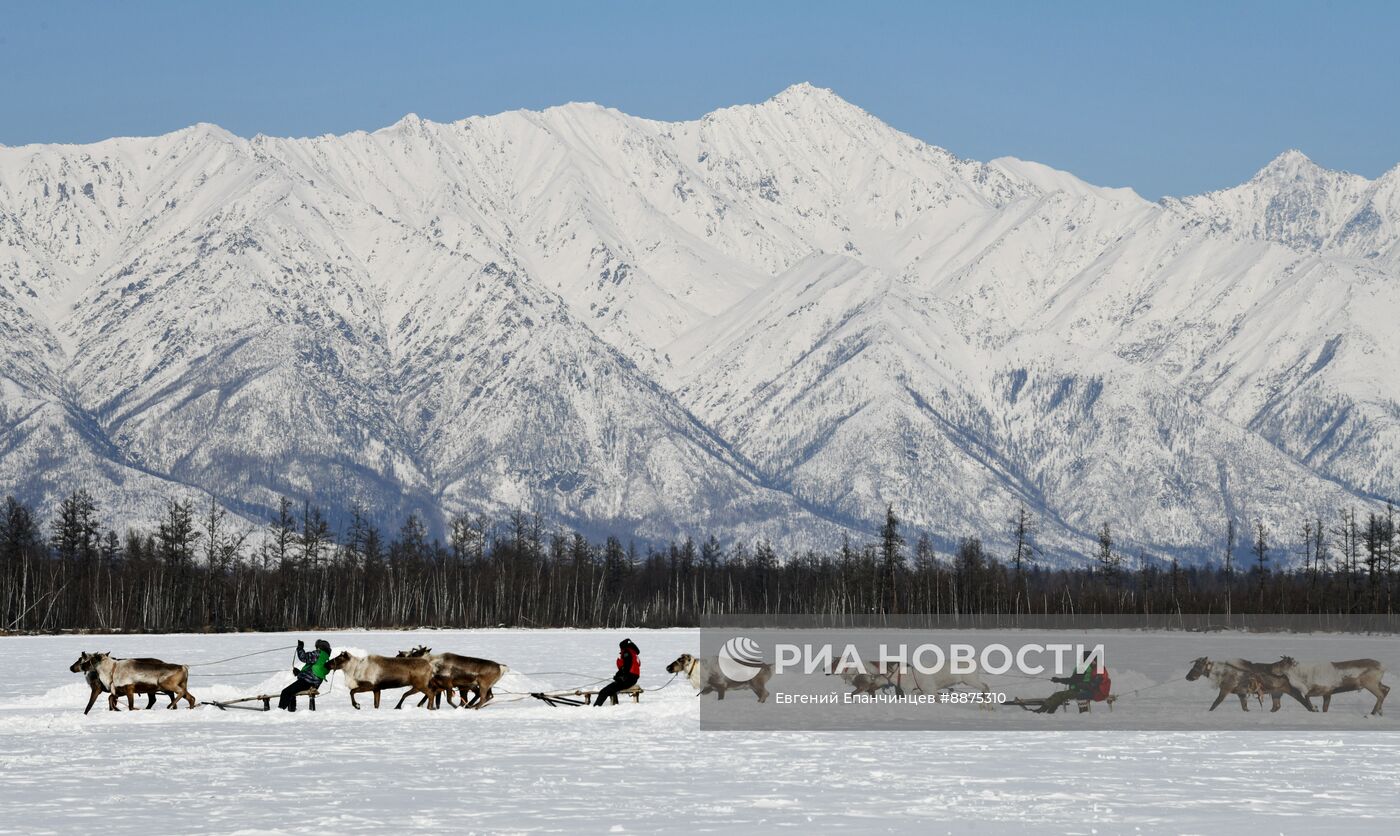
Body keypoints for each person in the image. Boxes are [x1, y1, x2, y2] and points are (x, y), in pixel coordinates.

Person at [1036, 651, 1107, 714]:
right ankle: (1049, 712)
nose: (1080, 659)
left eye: (1082, 657)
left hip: (1079, 690)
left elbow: (1073, 680)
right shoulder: (1091, 667)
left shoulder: (1083, 668)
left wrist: (1059, 680)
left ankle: (1041, 711)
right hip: (1085, 689)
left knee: (1058, 695)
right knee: (1061, 696)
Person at [279, 639, 331, 712]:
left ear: (320, 647)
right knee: (291, 692)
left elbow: (303, 657)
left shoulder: (318, 653)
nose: (316, 649)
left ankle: (280, 712)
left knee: (285, 692)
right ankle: (291, 712)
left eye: (317, 647)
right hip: (314, 683)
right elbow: (314, 670)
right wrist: (299, 673)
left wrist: (300, 648)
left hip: (308, 682)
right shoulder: (326, 658)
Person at [594, 638, 640, 706]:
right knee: (610, 690)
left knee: (603, 692)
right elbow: (627, 667)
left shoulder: (627, 652)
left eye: (621, 648)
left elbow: (626, 667)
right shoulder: (633, 653)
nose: (620, 650)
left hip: (628, 679)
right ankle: (614, 705)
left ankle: (595, 708)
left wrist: (619, 677)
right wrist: (618, 676)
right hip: (632, 679)